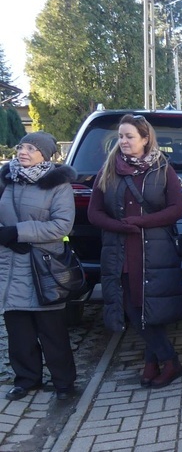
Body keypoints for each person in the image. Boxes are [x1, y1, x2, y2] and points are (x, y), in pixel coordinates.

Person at [88, 114, 182, 389]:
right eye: (120, 136)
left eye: (129, 136)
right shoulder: (108, 169)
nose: (123, 141)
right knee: (132, 307)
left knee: (149, 307)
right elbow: (94, 213)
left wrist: (140, 222)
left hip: (154, 251)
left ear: (145, 139)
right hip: (120, 250)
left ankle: (157, 361)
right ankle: (167, 360)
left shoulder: (163, 169)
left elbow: (175, 210)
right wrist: (118, 226)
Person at [0, 132, 77, 401]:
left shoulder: (58, 185)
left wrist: (19, 232)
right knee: (18, 333)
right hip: (10, 266)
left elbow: (62, 225)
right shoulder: (5, 179)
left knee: (52, 332)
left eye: (32, 148)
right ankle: (26, 379)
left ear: (45, 155)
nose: (23, 151)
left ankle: (64, 383)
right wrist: (4, 235)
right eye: (21, 145)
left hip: (44, 268)